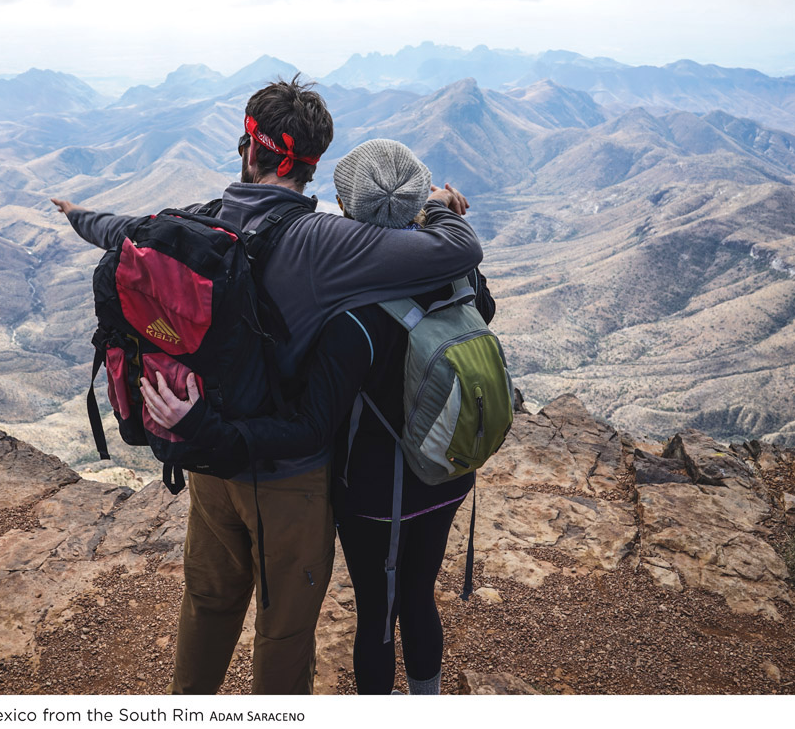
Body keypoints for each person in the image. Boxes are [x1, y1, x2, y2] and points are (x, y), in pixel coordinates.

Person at [52, 79, 482, 695]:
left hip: (209, 457)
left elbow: (123, 229)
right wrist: (434, 203)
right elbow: (459, 248)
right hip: (287, 478)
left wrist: (77, 215)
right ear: (311, 163)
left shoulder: (200, 222)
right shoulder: (328, 243)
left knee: (206, 607)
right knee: (282, 636)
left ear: (249, 151)